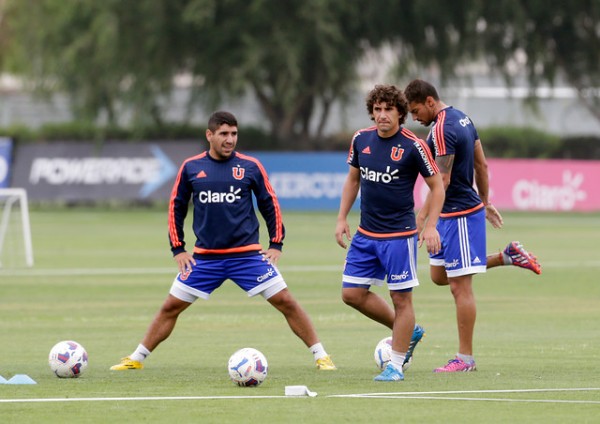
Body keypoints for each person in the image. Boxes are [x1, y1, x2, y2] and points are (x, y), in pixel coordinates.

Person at [110, 110, 336, 372]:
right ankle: (136, 358)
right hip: (206, 259)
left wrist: (276, 244)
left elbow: (269, 203)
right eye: (224, 134)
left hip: (247, 256)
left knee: (286, 301)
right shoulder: (191, 167)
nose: (230, 139)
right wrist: (178, 249)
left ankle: (321, 356)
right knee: (170, 306)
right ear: (210, 135)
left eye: (234, 134)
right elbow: (176, 207)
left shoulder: (250, 166)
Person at [404, 79, 541, 373]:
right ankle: (507, 256)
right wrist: (486, 200)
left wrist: (423, 219)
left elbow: (442, 180)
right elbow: (482, 164)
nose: (414, 118)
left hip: (460, 215)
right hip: (452, 213)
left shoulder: (441, 129)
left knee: (459, 287)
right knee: (440, 276)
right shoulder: (462, 118)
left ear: (429, 101)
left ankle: (465, 359)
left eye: (415, 111)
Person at [335, 84, 445, 381]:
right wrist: (341, 217)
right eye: (377, 110)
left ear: (400, 112)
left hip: (398, 236)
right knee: (352, 294)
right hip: (365, 235)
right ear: (372, 112)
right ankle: (409, 330)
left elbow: (437, 187)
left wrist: (431, 225)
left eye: (388, 110)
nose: (382, 115)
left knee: (401, 299)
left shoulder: (413, 145)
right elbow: (353, 181)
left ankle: (395, 366)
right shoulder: (361, 139)